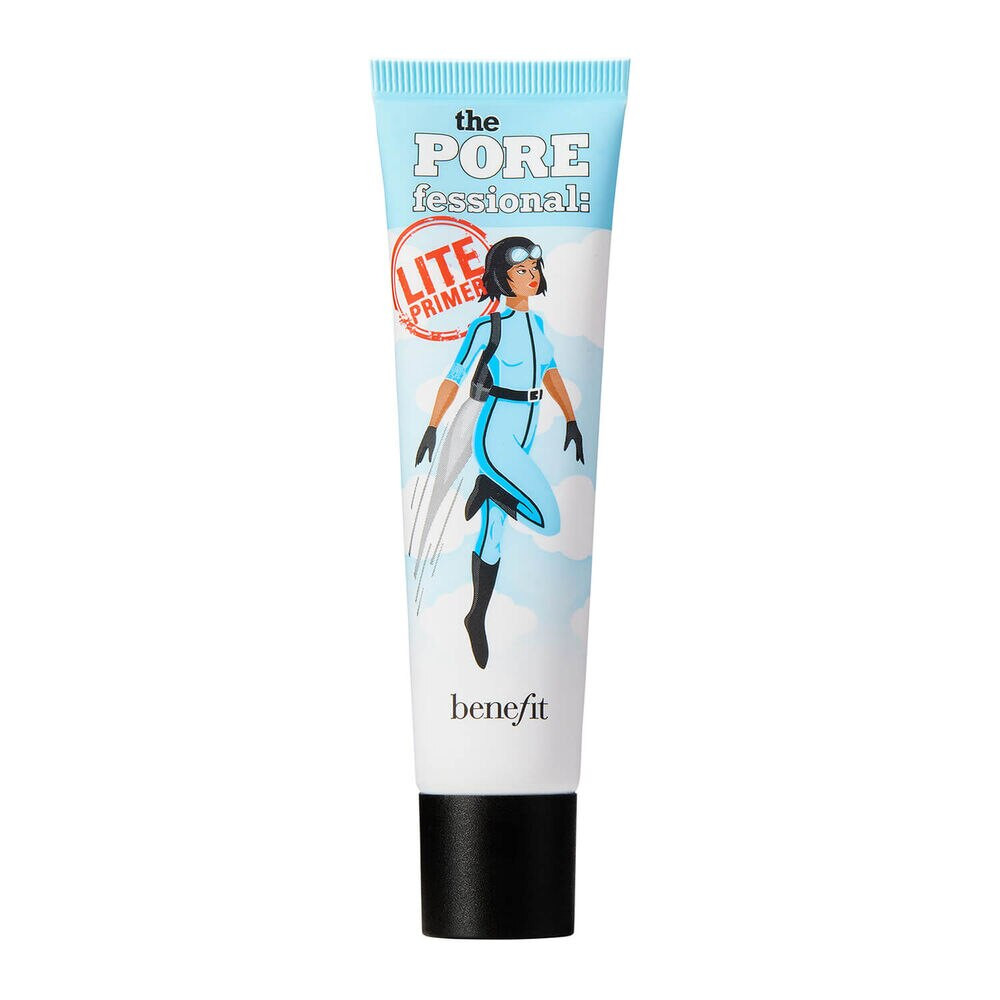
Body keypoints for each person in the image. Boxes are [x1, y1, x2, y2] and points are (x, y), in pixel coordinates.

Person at [415, 237, 584, 667]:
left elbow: (550, 372)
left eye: (535, 269)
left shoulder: (539, 326)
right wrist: (432, 426)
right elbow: (455, 375)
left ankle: (476, 616)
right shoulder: (488, 327)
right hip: (496, 432)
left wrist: (571, 419)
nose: (532, 276)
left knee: (493, 532)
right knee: (549, 520)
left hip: (528, 427)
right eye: (521, 270)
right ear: (502, 278)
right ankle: (489, 486)